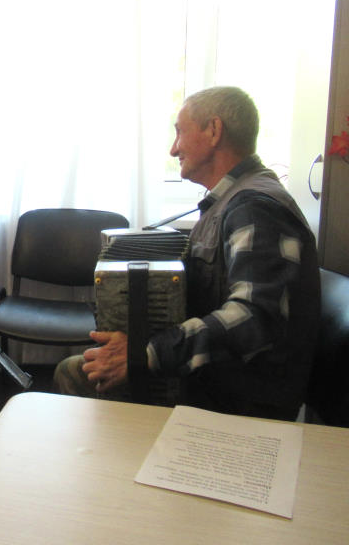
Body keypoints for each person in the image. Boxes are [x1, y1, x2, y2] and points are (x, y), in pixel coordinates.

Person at [54, 86, 320, 422]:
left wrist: (147, 352)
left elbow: (256, 317)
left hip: (236, 400)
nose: (173, 148)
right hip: (219, 380)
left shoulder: (254, 208)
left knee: (75, 373)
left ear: (214, 131)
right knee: (87, 366)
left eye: (179, 131)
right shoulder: (232, 202)